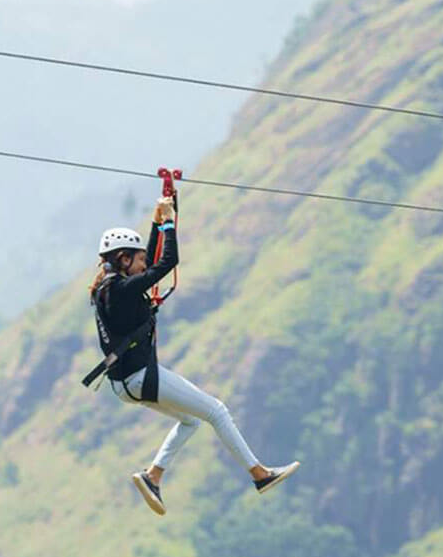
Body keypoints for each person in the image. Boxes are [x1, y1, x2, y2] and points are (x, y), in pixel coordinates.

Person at [90, 195, 299, 515]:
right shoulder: (120, 289)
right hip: (139, 377)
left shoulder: (108, 287)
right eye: (138, 259)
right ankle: (259, 475)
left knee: (190, 421)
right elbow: (166, 263)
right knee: (216, 411)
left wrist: (158, 221)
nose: (144, 265)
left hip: (126, 384)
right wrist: (170, 223)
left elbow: (151, 263)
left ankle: (153, 476)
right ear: (122, 259)